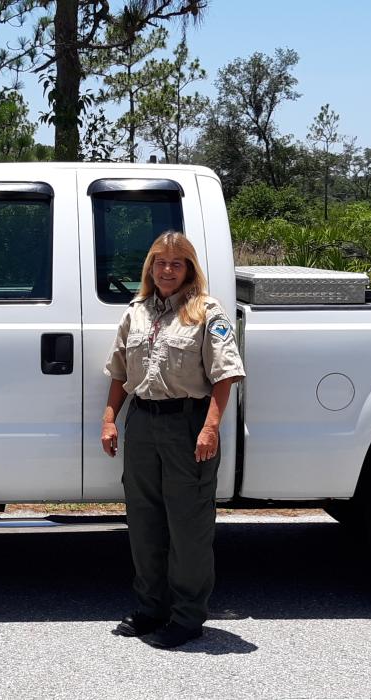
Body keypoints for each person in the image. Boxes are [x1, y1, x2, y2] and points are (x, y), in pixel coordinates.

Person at [101, 231, 246, 649]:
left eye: (176, 263)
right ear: (150, 267)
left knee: (188, 526)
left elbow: (225, 376)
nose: (167, 270)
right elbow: (119, 373)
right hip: (142, 425)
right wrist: (110, 419)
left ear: (189, 269)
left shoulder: (206, 312)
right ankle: (151, 609)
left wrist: (210, 427)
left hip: (187, 425)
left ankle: (186, 617)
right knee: (144, 521)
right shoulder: (137, 312)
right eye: (160, 263)